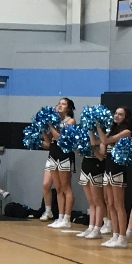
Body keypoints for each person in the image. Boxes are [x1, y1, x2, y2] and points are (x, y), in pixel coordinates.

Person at [98, 107, 132, 248]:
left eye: (120, 114)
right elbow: (102, 150)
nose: (116, 116)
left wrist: (97, 126)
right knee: (110, 203)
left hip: (118, 169)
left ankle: (122, 237)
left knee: (118, 205)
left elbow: (105, 140)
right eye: (116, 113)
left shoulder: (126, 132)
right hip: (108, 168)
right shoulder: (111, 130)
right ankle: (115, 235)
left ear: (126, 117)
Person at [44, 98, 76, 229]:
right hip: (53, 153)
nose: (60, 106)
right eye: (59, 104)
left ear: (68, 108)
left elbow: (59, 138)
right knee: (58, 188)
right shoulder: (55, 121)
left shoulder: (71, 121)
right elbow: (48, 141)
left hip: (64, 154)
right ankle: (60, 216)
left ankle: (67, 218)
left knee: (66, 187)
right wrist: (43, 128)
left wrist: (50, 125)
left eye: (63, 104)